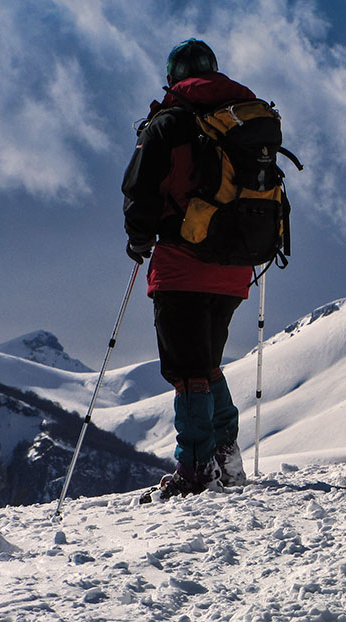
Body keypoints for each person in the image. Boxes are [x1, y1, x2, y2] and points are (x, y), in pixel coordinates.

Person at [122, 38, 252, 499]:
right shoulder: (242, 118)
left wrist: (139, 239)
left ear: (174, 77)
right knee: (208, 363)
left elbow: (140, 191)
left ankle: (195, 467)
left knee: (187, 371)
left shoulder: (169, 122)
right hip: (236, 271)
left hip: (182, 264)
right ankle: (225, 457)